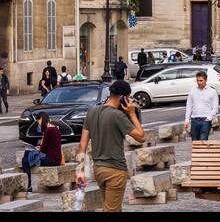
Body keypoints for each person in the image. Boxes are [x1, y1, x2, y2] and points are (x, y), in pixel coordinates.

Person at [76, 80, 145, 212]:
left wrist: (80, 171)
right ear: (123, 98)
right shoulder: (117, 115)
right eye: (129, 97)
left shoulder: (92, 112)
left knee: (111, 207)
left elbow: (82, 144)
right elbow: (141, 137)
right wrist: (131, 113)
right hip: (115, 170)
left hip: (99, 170)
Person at [21, 112, 63, 184]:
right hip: (56, 159)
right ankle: (28, 185)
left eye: (38, 122)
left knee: (25, 159)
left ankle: (28, 185)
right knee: (27, 156)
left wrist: (39, 147)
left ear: (41, 119)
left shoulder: (48, 131)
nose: (39, 125)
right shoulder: (56, 129)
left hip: (51, 160)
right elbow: (51, 145)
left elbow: (43, 150)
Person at [184, 70, 220, 142]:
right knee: (195, 141)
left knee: (203, 141)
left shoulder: (212, 91)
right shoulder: (192, 90)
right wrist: (187, 120)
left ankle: (203, 153)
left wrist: (209, 118)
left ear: (206, 80)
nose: (199, 82)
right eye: (197, 80)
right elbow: (189, 105)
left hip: (205, 120)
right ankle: (197, 153)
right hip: (194, 120)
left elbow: (215, 107)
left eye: (201, 80)